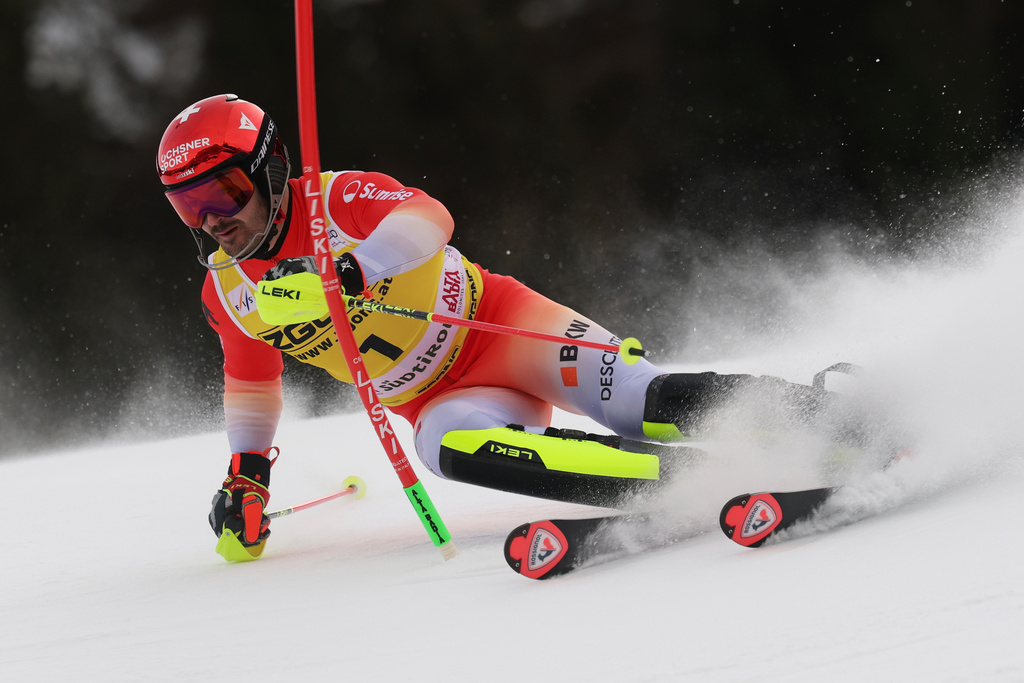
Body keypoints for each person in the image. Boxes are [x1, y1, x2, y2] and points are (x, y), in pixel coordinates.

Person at [157, 94, 858, 561]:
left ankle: (837, 422)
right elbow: (251, 382)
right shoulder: (228, 291)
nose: (213, 219)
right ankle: (687, 480)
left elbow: (429, 218)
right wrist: (247, 478)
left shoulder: (334, 198)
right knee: (446, 448)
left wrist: (349, 270)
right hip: (437, 398)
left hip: (501, 326)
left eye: (225, 192)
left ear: (271, 169)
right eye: (189, 206)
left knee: (639, 400)